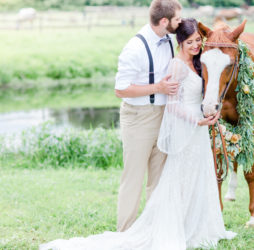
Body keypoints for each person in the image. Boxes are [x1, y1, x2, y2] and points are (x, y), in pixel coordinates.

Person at [39, 18, 236, 250]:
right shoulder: (177, 66)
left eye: (198, 41)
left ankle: (201, 224)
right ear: (180, 41)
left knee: (200, 175)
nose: (195, 45)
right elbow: (172, 106)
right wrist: (197, 120)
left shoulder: (198, 61)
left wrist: (211, 113)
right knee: (180, 177)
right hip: (189, 127)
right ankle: (174, 226)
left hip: (200, 129)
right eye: (190, 41)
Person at [114, 0, 181, 232]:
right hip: (139, 117)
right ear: (164, 22)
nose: (179, 23)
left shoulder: (171, 41)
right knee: (133, 178)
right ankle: (125, 233)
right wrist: (158, 88)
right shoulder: (135, 47)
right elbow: (120, 89)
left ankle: (153, 230)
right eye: (177, 20)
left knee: (159, 179)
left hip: (165, 116)